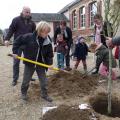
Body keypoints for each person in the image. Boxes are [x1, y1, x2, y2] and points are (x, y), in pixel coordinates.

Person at [12, 21, 53, 102]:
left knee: (44, 81)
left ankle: (44, 94)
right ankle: (23, 93)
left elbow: (49, 54)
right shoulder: (29, 37)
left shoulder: (47, 41)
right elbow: (17, 41)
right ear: (40, 31)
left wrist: (50, 64)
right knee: (26, 80)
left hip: (41, 63)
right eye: (46, 32)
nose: (47, 34)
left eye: (48, 32)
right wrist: (15, 52)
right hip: (30, 63)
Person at [4, 6, 36, 86]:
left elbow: (34, 34)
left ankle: (29, 76)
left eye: (29, 12)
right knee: (16, 62)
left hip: (28, 45)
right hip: (18, 45)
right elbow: (11, 30)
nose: (28, 14)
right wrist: (7, 39)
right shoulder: (16, 20)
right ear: (22, 11)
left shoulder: (32, 23)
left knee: (29, 61)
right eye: (26, 12)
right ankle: (15, 79)